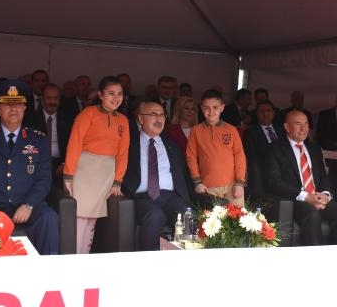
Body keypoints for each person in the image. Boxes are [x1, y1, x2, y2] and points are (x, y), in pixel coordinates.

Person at [0, 79, 58, 255]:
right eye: (7, 104)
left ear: (25, 108)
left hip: (26, 205)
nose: (13, 109)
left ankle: (48, 269)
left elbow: (44, 179)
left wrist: (29, 204)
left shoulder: (38, 139)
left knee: (49, 217)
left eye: (18, 104)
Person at [63, 75, 130, 254]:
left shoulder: (123, 120)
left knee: (92, 219)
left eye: (120, 94)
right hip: (84, 169)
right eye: (111, 93)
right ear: (100, 95)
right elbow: (74, 143)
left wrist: (118, 181)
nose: (116, 98)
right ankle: (72, 259)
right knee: (79, 218)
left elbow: (123, 153)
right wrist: (68, 176)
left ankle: (84, 257)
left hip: (106, 172)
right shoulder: (88, 113)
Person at [266, 110, 337, 245]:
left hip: (317, 197)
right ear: (287, 127)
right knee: (312, 214)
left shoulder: (314, 149)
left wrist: (325, 195)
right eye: (298, 124)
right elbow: (274, 183)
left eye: (306, 124)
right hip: (294, 199)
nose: (303, 128)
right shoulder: (275, 148)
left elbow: (323, 177)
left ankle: (335, 256)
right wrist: (306, 197)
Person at [122, 102, 191, 251]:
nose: (159, 119)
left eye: (162, 115)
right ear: (141, 119)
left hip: (169, 197)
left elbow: (184, 175)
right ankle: (149, 260)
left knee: (187, 213)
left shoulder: (172, 146)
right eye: (153, 115)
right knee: (155, 215)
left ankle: (186, 259)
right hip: (142, 197)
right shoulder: (128, 144)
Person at [186, 88, 246, 206]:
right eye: (206, 108)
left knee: (238, 217)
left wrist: (240, 183)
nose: (211, 111)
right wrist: (197, 182)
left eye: (215, 107)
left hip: (232, 186)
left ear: (222, 108)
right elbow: (191, 157)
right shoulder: (196, 131)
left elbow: (239, 156)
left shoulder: (232, 130)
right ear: (201, 108)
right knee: (210, 218)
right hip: (208, 187)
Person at [31, 83, 73, 187]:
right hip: (38, 163)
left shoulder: (68, 119)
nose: (52, 102)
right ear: (42, 100)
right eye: (49, 98)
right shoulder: (32, 119)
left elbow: (72, 144)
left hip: (60, 164)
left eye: (55, 98)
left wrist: (65, 162)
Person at [242, 100, 280, 202]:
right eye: (261, 111)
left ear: (273, 113)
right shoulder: (250, 132)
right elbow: (251, 156)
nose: (265, 113)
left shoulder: (282, 130)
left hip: (283, 170)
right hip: (262, 171)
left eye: (268, 110)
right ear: (256, 114)